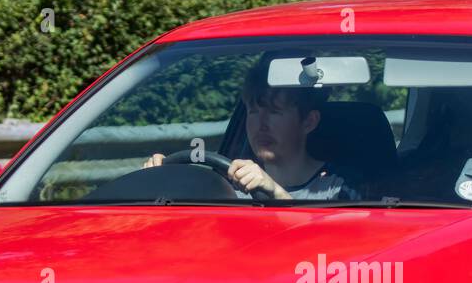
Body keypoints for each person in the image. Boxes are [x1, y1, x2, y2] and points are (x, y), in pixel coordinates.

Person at [144, 60, 353, 200]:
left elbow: (338, 249)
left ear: (308, 122)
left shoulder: (339, 188)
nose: (260, 123)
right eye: (253, 112)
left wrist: (275, 192)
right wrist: (158, 182)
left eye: (274, 112)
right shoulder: (226, 189)